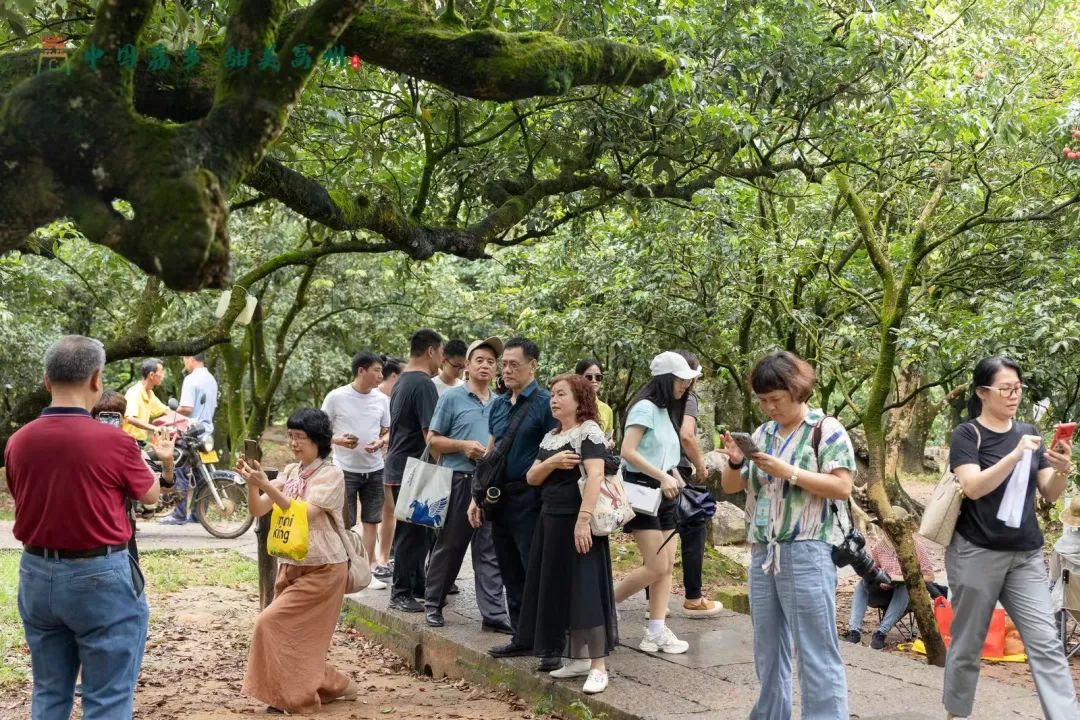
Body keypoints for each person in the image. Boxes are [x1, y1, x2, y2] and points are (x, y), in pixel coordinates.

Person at [6, 335, 159, 719]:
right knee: (107, 698)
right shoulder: (115, 442)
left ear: (45, 381)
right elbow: (152, 495)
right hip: (99, 577)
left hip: (37, 575)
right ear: (96, 380)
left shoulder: (18, 442)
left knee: (48, 692)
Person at [720, 350, 855, 719]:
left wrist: (788, 471)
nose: (769, 408)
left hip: (807, 549)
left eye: (775, 400)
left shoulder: (825, 429)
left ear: (797, 391)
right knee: (768, 647)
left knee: (814, 649)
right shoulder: (763, 434)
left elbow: (842, 487)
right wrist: (735, 459)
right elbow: (733, 485)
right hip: (763, 551)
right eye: (762, 401)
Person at [943, 356, 1078, 720]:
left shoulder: (1029, 429)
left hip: (1025, 555)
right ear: (982, 392)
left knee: (1046, 642)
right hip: (976, 552)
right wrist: (1015, 454)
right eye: (1005, 389)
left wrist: (1062, 469)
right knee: (968, 645)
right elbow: (972, 486)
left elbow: (1050, 492)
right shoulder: (967, 435)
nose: (1013, 395)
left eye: (1017, 388)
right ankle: (957, 713)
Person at [236, 408, 358, 714]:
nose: (294, 442)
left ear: (318, 440)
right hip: (292, 564)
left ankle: (296, 697)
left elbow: (303, 512)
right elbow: (259, 510)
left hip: (325, 568)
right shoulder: (290, 472)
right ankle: (336, 684)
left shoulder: (331, 474)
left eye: (299, 436)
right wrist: (253, 483)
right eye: (291, 436)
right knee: (296, 637)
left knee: (273, 623)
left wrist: (266, 485)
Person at [517, 373, 618, 694]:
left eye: (562, 394)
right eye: (553, 395)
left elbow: (596, 476)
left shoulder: (589, 431)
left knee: (585, 589)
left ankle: (599, 666)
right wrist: (554, 462)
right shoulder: (551, 436)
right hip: (550, 521)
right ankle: (576, 658)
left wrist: (583, 520)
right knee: (562, 588)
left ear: (580, 399)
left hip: (579, 522)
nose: (554, 400)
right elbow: (532, 477)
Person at [479, 337, 558, 667]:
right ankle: (522, 636)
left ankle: (550, 644)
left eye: (514, 364)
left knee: (535, 568)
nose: (507, 370)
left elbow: (555, 449)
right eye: (504, 364)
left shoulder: (544, 403)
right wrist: (477, 495)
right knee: (509, 567)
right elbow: (491, 451)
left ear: (533, 365)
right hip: (499, 497)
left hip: (532, 497)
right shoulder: (498, 404)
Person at [612, 351, 698, 655]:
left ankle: (656, 631)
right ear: (665, 379)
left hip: (665, 496)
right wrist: (663, 476)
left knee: (666, 568)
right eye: (680, 380)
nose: (685, 387)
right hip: (641, 495)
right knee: (656, 565)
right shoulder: (645, 408)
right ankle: (606, 604)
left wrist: (673, 474)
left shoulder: (665, 411)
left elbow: (663, 454)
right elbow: (628, 451)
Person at [424, 337, 511, 632]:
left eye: (491, 361)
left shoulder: (502, 403)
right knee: (450, 546)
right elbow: (432, 440)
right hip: (458, 482)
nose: (486, 365)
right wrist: (462, 446)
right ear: (467, 366)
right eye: (480, 360)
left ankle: (494, 614)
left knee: (489, 550)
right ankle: (433, 604)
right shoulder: (452, 397)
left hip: (489, 486)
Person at [384, 329, 443, 612]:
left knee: (418, 531)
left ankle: (417, 583)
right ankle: (401, 593)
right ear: (431, 351)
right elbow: (430, 434)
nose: (441, 360)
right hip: (414, 469)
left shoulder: (402, 380)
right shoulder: (423, 384)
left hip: (399, 466)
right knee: (411, 534)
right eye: (441, 353)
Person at [321, 350, 391, 590]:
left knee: (372, 520)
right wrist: (339, 440)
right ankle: (343, 571)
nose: (381, 375)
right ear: (361, 371)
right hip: (344, 469)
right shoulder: (336, 397)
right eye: (377, 370)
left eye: (381, 371)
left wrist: (381, 442)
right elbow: (319, 431)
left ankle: (367, 572)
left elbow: (388, 430)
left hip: (375, 469)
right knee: (344, 522)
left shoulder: (381, 399)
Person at [672, 350, 722, 617]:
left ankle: (651, 605)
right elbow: (687, 435)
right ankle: (693, 596)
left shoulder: (651, 398)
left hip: (653, 472)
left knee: (659, 535)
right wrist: (701, 465)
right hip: (676, 471)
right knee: (694, 526)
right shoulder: (688, 396)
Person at [844, 506, 935, 648]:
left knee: (904, 587)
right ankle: (854, 631)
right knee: (862, 584)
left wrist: (898, 578)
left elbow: (930, 577)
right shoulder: (880, 547)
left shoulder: (916, 546)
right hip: (883, 592)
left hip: (907, 598)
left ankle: (881, 633)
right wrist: (875, 576)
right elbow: (873, 569)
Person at [161, 353, 219, 525]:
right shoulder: (211, 379)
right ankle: (198, 515)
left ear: (190, 359)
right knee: (202, 473)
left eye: (184, 359)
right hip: (206, 432)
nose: (184, 363)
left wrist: (170, 413)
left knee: (180, 470)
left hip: (190, 432)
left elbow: (186, 407)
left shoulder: (191, 379)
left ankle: (178, 515)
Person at [373, 355, 403, 581]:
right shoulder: (375, 397)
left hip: (387, 460)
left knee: (388, 510)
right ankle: (374, 559)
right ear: (394, 376)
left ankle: (382, 558)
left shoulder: (393, 399)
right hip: (365, 463)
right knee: (376, 512)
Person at [123, 357, 168, 442]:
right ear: (151, 375)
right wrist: (154, 428)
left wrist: (188, 421)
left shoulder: (150, 393)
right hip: (128, 442)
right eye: (161, 372)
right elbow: (131, 419)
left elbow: (165, 410)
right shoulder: (134, 392)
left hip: (139, 442)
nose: (163, 375)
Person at [575, 359, 614, 438]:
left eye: (598, 377)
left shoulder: (607, 410)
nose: (594, 380)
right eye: (589, 377)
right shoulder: (571, 404)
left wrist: (610, 442)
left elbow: (608, 437)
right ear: (578, 378)